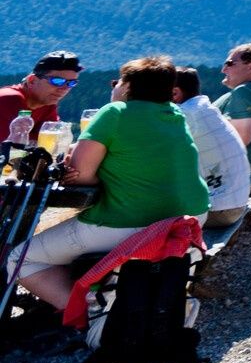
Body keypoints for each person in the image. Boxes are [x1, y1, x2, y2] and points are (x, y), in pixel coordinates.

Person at [6, 57, 209, 309]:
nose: (114, 87)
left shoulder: (115, 112)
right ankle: (102, 301)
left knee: (21, 258)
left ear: (127, 87)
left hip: (133, 221)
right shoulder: (175, 114)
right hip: (190, 216)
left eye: (117, 82)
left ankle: (92, 315)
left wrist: (89, 171)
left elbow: (79, 175)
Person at [173, 63, 251, 227]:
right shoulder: (202, 109)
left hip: (219, 209)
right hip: (234, 202)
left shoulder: (186, 115)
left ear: (175, 93)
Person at [214, 42, 251, 173]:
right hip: (240, 171)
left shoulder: (246, 90)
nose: (223, 69)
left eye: (230, 63)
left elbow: (240, 137)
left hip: (225, 173)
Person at [1, 51, 83, 139]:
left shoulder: (47, 104)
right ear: (32, 81)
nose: (64, 88)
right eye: (57, 81)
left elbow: (50, 142)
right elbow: (10, 145)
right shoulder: (8, 99)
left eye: (71, 83)